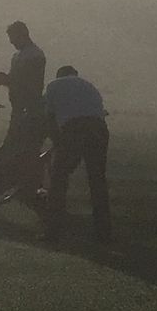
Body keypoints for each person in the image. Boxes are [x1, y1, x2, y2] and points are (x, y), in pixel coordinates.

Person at [0, 19, 51, 212]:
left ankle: (23, 188)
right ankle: (26, 188)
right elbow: (17, 82)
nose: (11, 42)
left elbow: (26, 83)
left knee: (22, 151)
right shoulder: (20, 55)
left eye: (13, 37)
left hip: (30, 111)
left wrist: (2, 79)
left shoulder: (34, 55)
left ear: (23, 34)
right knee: (17, 151)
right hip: (19, 110)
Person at [40, 64, 111, 243]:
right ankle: (103, 229)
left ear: (59, 75)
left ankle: (53, 229)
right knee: (97, 179)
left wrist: (57, 141)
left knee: (59, 177)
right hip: (99, 129)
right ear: (75, 74)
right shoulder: (89, 85)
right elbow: (99, 112)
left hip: (74, 128)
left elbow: (49, 117)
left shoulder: (53, 86)